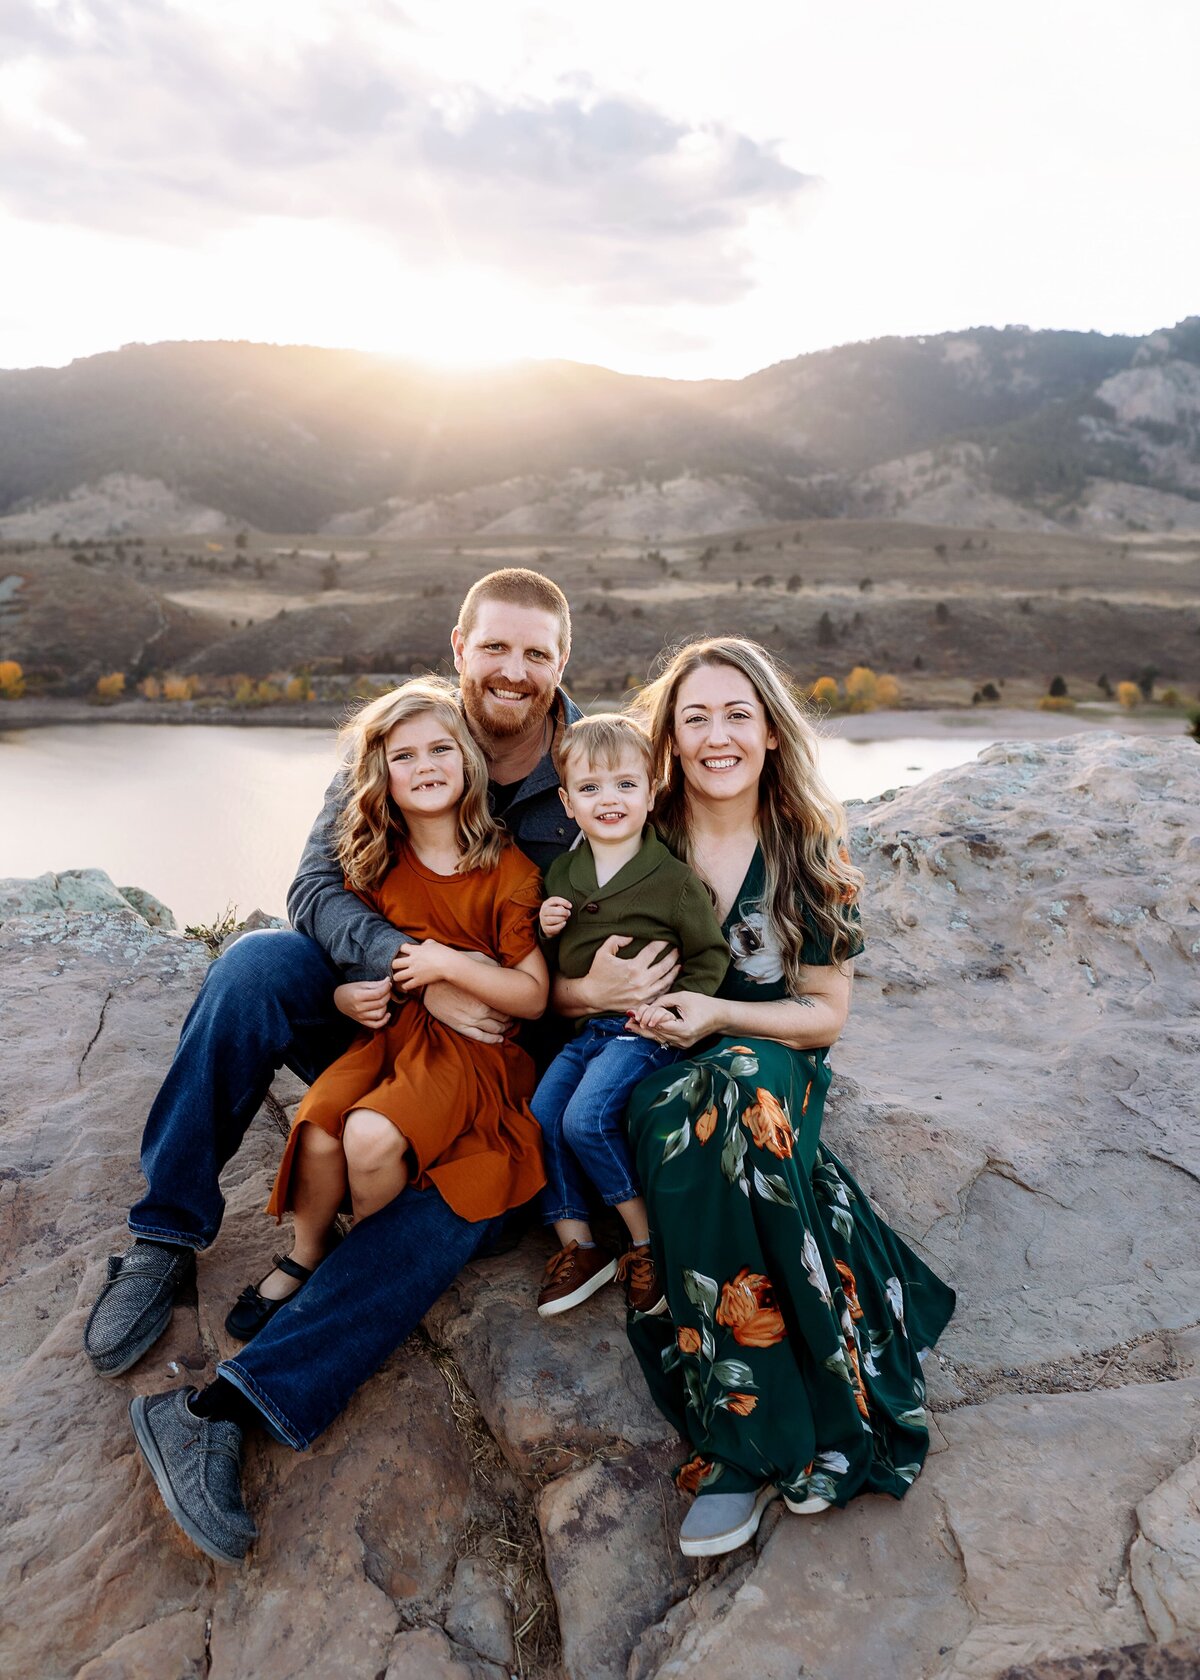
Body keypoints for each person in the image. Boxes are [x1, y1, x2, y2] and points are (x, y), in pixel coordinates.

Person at [82, 568, 680, 1567]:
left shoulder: (597, 773)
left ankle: (224, 1412)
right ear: (460, 647)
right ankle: (164, 1236)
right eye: (495, 647)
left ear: (562, 664)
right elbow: (315, 884)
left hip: (505, 1065)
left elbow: (610, 958)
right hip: (387, 1014)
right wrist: (412, 976)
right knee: (254, 965)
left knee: (464, 1207)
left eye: (536, 653)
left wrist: (499, 989)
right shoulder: (409, 733)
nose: (513, 670)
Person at [613, 638, 955, 1559]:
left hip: (774, 1054)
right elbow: (577, 978)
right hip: (650, 1062)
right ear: (671, 740)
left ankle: (748, 1446)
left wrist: (719, 1013)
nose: (717, 735)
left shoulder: (807, 841)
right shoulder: (638, 837)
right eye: (695, 719)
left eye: (736, 715)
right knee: (696, 1118)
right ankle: (747, 1433)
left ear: (769, 730)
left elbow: (824, 1016)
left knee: (741, 1096)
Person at [223, 677, 549, 1341]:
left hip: (473, 1053)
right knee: (317, 1128)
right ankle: (311, 1252)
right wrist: (348, 994)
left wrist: (447, 964)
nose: (425, 767)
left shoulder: (508, 871)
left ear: (468, 760)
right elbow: (347, 949)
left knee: (369, 1136)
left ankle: (368, 1267)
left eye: (440, 750)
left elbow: (534, 995)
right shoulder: (376, 861)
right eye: (404, 757)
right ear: (381, 777)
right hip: (394, 1033)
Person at [531, 713, 728, 1320]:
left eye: (624, 785)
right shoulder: (563, 872)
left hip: (644, 1033)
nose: (608, 800)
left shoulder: (671, 880)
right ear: (567, 802)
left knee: (586, 1119)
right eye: (589, 789)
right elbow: (553, 962)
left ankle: (646, 1243)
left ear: (650, 790)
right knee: (542, 1116)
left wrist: (672, 1010)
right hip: (587, 1027)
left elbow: (709, 955)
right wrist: (546, 926)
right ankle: (580, 1247)